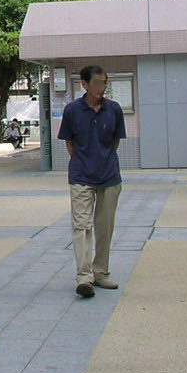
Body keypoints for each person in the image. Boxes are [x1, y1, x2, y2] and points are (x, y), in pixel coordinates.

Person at [58, 64, 127, 300]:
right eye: (97, 82)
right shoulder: (72, 110)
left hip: (109, 175)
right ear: (84, 85)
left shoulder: (114, 109)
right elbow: (69, 143)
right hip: (80, 176)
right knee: (81, 225)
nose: (101, 87)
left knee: (104, 227)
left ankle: (101, 272)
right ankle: (84, 277)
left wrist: (102, 159)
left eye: (104, 82)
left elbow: (115, 141)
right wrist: (84, 162)